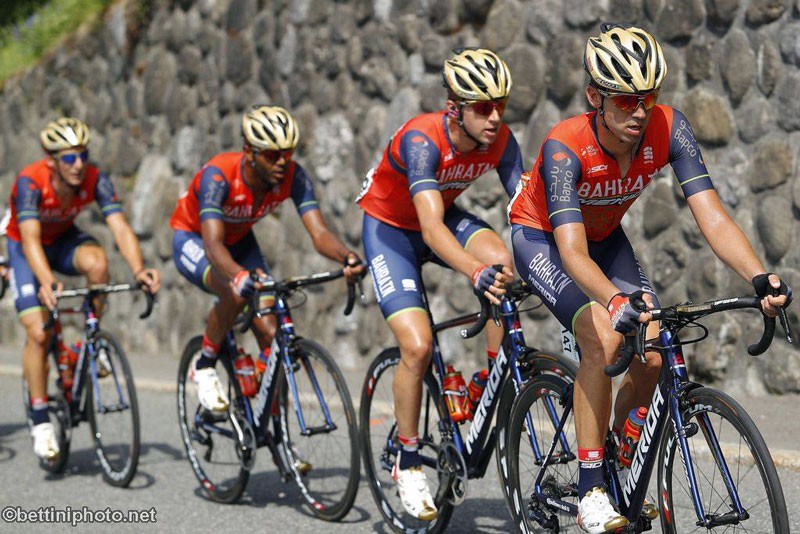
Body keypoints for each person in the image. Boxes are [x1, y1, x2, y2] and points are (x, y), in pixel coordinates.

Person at [508, 23, 792, 533]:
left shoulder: (669, 128)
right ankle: (592, 487)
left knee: (654, 349)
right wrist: (614, 301)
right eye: (626, 100)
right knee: (599, 338)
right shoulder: (563, 147)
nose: (640, 111)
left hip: (605, 238)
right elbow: (571, 252)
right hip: (545, 241)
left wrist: (758, 276)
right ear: (595, 96)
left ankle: (618, 457)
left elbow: (713, 217)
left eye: (649, 98)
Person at [357, 48, 523, 520]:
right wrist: (473, 272)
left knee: (502, 261)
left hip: (441, 216)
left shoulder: (499, 139)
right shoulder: (421, 141)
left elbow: (524, 209)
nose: (495, 118)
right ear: (455, 108)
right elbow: (430, 230)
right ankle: (408, 460)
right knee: (418, 346)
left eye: (501, 106)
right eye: (483, 108)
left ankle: (491, 378)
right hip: (391, 229)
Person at [170, 104, 363, 414]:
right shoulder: (218, 176)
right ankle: (204, 363)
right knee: (234, 291)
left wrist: (348, 257)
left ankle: (276, 434)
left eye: (289, 152)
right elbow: (212, 244)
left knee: (273, 334)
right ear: (249, 151)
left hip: (239, 240)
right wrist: (238, 276)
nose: (282, 162)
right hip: (194, 239)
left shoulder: (292, 176)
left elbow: (319, 234)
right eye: (273, 155)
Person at [6, 118, 161, 461]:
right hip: (25, 249)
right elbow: (29, 239)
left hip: (62, 241)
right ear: (52, 161)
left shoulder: (94, 178)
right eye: (69, 158)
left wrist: (139, 269)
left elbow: (119, 228)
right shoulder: (31, 182)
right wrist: (46, 282)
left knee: (98, 263)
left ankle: (93, 335)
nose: (78, 165)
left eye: (83, 156)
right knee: (39, 332)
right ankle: (40, 417)